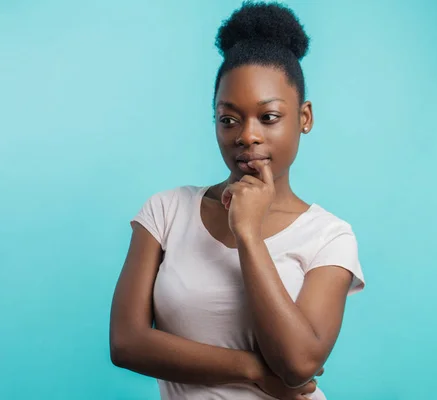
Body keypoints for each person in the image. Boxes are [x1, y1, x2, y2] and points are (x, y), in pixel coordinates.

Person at [109, 2, 365, 399]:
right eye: (229, 119)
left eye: (269, 117)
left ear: (305, 117)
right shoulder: (166, 212)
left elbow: (298, 364)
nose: (247, 136)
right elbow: (126, 342)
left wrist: (248, 233)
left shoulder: (329, 237)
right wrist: (251, 369)